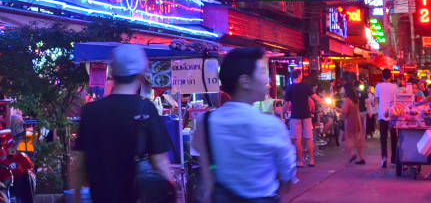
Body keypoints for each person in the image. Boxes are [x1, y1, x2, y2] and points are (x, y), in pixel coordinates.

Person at [71, 44, 173, 203]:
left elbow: (78, 166)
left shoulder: (90, 111)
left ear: (112, 73)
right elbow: (160, 163)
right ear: (141, 73)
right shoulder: (146, 109)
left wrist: (76, 199)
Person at [193, 48, 296, 202]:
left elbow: (208, 177)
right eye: (262, 72)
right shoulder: (271, 125)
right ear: (245, 81)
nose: (267, 79)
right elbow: (288, 174)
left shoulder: (205, 122)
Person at [283, 69, 323, 167]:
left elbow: (286, 104)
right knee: (309, 138)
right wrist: (324, 102)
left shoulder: (289, 88)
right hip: (306, 115)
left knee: (297, 139)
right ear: (299, 75)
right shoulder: (305, 86)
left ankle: (300, 161)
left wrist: (283, 114)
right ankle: (311, 161)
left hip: (295, 116)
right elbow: (314, 97)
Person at [375, 69, 398, 168]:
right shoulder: (395, 87)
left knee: (383, 138)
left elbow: (376, 100)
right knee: (394, 138)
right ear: (391, 76)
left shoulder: (378, 86)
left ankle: (384, 158)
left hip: (382, 114)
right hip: (393, 114)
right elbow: (397, 101)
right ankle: (393, 159)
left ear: (382, 76)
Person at [338, 84, 366, 165]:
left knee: (347, 138)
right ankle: (361, 158)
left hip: (350, 120)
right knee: (358, 140)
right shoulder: (355, 99)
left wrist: (336, 108)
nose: (342, 91)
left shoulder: (347, 99)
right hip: (357, 120)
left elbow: (345, 111)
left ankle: (352, 154)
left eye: (343, 89)